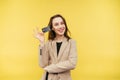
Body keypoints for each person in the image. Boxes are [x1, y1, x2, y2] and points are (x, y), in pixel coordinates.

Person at [34, 14, 77, 80]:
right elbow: (42, 64)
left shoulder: (71, 42)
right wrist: (42, 43)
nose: (60, 26)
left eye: (62, 23)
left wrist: (50, 68)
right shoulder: (49, 43)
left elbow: (72, 63)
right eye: (56, 24)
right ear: (52, 28)